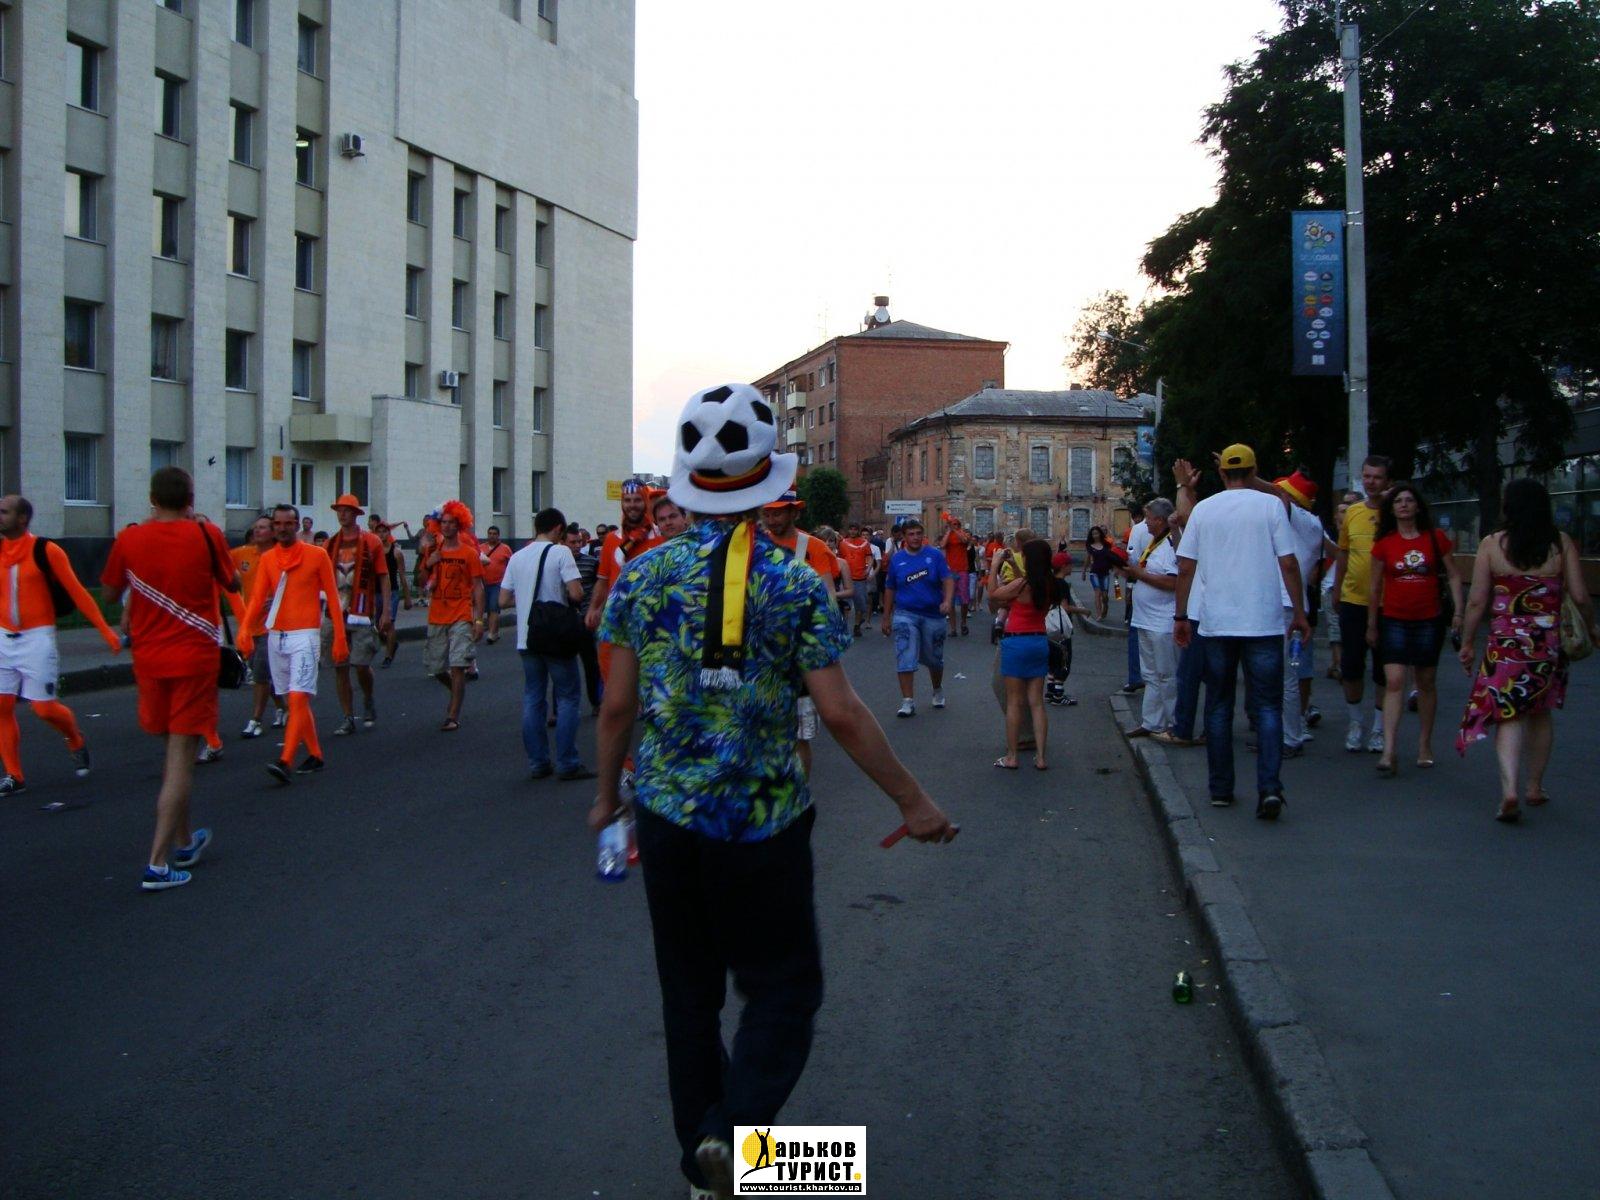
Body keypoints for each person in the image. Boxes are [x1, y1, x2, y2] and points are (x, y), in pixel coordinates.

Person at [589, 382, 956, 1198]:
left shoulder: (641, 577)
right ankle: (735, 1139)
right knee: (784, 989)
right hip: (762, 823)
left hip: (669, 816)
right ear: (766, 482)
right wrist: (911, 800)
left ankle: (708, 1161)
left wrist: (608, 800)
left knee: (688, 997)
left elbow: (616, 708)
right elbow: (840, 712)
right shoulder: (792, 582)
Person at [101, 468, 238, 890]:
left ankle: (183, 840)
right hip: (194, 658)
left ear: (152, 498)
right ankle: (158, 864)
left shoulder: (129, 539)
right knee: (181, 757)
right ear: (190, 498)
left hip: (149, 659)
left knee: (173, 754)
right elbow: (231, 581)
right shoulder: (206, 534)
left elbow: (109, 593)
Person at [1173, 445, 1310, 821]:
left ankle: (1220, 789)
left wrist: (1181, 616)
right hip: (1263, 621)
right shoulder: (1270, 507)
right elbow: (1289, 563)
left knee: (1218, 706)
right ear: (1254, 470)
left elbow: (1185, 567)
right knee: (1267, 706)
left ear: (1222, 474)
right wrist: (1299, 613)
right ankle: (1270, 788)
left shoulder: (1204, 510)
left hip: (1217, 622)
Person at [1456, 478, 1597, 822]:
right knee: (1540, 711)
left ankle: (1509, 790)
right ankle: (1534, 786)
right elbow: (1580, 596)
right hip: (1547, 645)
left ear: (1509, 506)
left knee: (1510, 713)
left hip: (1506, 644)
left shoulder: (1491, 544)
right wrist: (1591, 627)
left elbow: (1477, 600)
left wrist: (1468, 641)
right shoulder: (1560, 543)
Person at [0, 494, 121, 797]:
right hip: (3, 637)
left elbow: (78, 592)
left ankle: (74, 737)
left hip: (37, 638)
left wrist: (106, 631)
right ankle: (14, 775)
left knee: (43, 709)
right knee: (2, 707)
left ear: (22, 518)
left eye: (4, 511)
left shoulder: (46, 550)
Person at [237, 505, 346, 783]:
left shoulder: (317, 555)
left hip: (305, 635)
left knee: (298, 697)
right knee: (292, 699)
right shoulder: (269, 559)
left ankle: (285, 760)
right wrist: (245, 629)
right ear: (273, 527)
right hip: (277, 635)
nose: (283, 528)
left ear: (297, 525)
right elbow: (257, 597)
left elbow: (333, 597)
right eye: (278, 524)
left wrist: (340, 638)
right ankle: (315, 754)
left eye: (289, 523)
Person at [1366, 481, 1463, 776]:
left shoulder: (1435, 538)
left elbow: (1454, 576)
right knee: (1395, 681)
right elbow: (1374, 587)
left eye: (1409, 500)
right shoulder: (1385, 543)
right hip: (1394, 619)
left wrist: (1459, 612)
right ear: (1392, 509)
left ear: (1418, 506)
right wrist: (1372, 624)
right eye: (1398, 501)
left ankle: (1424, 744)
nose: (1404, 505)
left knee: (1425, 682)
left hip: (1428, 619)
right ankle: (1389, 750)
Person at [502, 507, 593, 780]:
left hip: (527, 637)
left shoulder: (517, 557)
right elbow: (576, 593)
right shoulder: (561, 552)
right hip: (556, 636)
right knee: (567, 697)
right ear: (558, 529)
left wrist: (527, 596)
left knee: (533, 698)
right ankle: (567, 762)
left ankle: (538, 763)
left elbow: (503, 600)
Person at [761, 490, 847, 774]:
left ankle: (800, 789)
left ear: (793, 513)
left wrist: (826, 640)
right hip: (762, 649)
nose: (771, 520)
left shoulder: (814, 547)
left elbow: (828, 594)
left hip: (800, 649)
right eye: (767, 513)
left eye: (777, 513)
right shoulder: (756, 544)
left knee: (799, 733)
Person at [1272, 471, 1334, 757]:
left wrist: (1245, 475)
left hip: (1286, 608)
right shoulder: (1310, 526)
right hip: (1285, 606)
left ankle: (1291, 737)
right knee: (1280, 676)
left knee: (1285, 678)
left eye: (1281, 493)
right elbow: (1338, 553)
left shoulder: (1302, 520)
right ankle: (1282, 734)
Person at [1334, 455, 1393, 752]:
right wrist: (1336, 589)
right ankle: (1356, 722)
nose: (1371, 482)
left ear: (1387, 481)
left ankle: (1380, 728)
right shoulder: (1354, 513)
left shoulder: (1395, 514)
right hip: (1353, 600)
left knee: (1384, 669)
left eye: (1377, 477)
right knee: (1351, 665)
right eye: (1367, 476)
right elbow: (1344, 553)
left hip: (1389, 604)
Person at [324, 494, 391, 735]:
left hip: (362, 612)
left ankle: (368, 697)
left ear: (355, 514)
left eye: (347, 510)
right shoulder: (330, 544)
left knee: (361, 665)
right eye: (339, 510)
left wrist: (385, 612)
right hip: (334, 614)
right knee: (340, 666)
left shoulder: (372, 542)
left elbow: (383, 577)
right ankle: (348, 717)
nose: (342, 514)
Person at [585, 481, 662, 686]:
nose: (632, 505)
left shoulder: (661, 537)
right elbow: (603, 581)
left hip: (652, 623)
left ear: (645, 502)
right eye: (627, 500)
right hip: (618, 621)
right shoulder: (612, 540)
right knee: (616, 684)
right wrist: (594, 608)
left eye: (637, 500)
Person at [987, 538, 1055, 768]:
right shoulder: (1048, 584)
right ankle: (1041, 757)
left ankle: (1012, 756)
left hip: (1017, 642)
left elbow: (993, 594)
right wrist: (1015, 566)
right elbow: (1025, 581)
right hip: (1039, 641)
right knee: (1037, 702)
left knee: (1014, 702)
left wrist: (995, 565)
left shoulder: (1022, 585)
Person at [881, 519, 954, 718]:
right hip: (906, 613)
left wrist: (947, 601)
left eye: (918, 533)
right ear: (904, 537)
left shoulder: (934, 555)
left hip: (933, 614)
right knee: (904, 653)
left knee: (934, 659)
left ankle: (937, 689)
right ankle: (907, 701)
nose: (915, 537)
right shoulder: (897, 559)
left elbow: (947, 579)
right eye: (911, 534)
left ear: (923, 535)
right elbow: (890, 588)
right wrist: (886, 617)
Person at [421, 501, 484, 731]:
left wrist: (478, 620)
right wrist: (429, 563)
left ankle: (453, 715)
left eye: (451, 523)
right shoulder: (433, 552)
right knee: (437, 668)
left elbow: (478, 587)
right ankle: (456, 692)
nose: (446, 527)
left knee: (458, 665)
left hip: (461, 615)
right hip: (437, 615)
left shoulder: (469, 553)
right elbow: (421, 583)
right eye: (443, 523)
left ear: (460, 525)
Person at [1124, 499, 1181, 740]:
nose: (1145, 522)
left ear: (1159, 520)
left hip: (1163, 620)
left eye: (1148, 518)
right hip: (1145, 618)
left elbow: (1173, 582)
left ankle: (1175, 723)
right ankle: (1152, 721)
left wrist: (1140, 574)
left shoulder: (1170, 544)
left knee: (1167, 674)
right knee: (1150, 674)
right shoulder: (1154, 542)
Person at [231, 515, 286, 738]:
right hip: (249, 626)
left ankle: (256, 720)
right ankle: (283, 708)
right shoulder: (242, 554)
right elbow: (220, 565)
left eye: (262, 527)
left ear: (273, 532)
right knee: (263, 672)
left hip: (272, 626)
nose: (257, 531)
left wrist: (278, 600)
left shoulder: (282, 556)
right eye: (255, 527)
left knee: (261, 674)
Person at [564, 524, 604, 711]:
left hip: (585, 619)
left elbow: (599, 588)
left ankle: (596, 701)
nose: (577, 546)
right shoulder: (558, 563)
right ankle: (558, 709)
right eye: (572, 542)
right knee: (563, 665)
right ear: (563, 543)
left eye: (579, 542)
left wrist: (596, 610)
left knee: (591, 664)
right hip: (565, 620)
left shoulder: (591, 562)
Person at [1324, 492, 1359, 679]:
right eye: (1342, 510)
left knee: (1348, 629)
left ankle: (1338, 663)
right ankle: (1338, 663)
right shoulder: (1330, 533)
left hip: (1354, 586)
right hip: (1333, 585)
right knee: (1335, 626)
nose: (1345, 512)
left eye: (1350, 506)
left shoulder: (1361, 529)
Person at [1045, 551, 1087, 706]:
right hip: (1061, 628)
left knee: (1052, 661)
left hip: (1050, 627)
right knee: (1063, 661)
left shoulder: (1049, 581)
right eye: (1070, 564)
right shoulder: (1062, 584)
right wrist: (1083, 611)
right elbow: (1065, 607)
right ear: (1063, 566)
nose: (1071, 567)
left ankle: (1050, 692)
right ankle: (1058, 695)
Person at [376, 520, 413, 668]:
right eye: (379, 532)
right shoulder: (373, 551)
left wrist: (407, 597)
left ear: (389, 533)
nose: (382, 535)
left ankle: (388, 656)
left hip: (392, 592)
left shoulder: (396, 552)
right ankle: (392, 643)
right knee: (377, 626)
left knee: (389, 623)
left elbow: (402, 575)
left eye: (384, 531)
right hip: (376, 591)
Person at [838, 523, 879, 637]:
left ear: (858, 531)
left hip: (860, 578)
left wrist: (868, 569)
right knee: (845, 605)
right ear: (848, 530)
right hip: (846, 578)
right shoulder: (843, 543)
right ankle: (844, 627)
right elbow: (839, 558)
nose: (852, 531)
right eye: (851, 529)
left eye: (855, 529)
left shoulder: (864, 543)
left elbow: (870, 557)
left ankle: (857, 626)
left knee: (860, 605)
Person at [938, 517, 975, 636]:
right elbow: (942, 545)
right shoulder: (948, 535)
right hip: (950, 571)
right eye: (952, 524)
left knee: (965, 599)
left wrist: (955, 530)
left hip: (962, 570)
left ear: (959, 525)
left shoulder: (963, 534)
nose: (954, 525)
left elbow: (965, 541)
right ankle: (953, 629)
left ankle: (963, 623)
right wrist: (949, 531)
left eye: (956, 524)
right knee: (950, 600)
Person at [479, 525, 513, 644]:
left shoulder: (505, 549)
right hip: (483, 583)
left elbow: (511, 565)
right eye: (490, 533)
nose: (492, 536)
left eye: (494, 534)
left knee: (494, 607)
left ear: (498, 536)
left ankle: (491, 634)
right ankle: (495, 631)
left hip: (498, 583)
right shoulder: (481, 548)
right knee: (488, 608)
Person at [1083, 526, 1120, 620]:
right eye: (1093, 534)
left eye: (1097, 533)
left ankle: (1105, 605)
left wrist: (1115, 568)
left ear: (1100, 534)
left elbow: (1111, 557)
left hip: (1105, 573)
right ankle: (1099, 614)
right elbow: (1087, 559)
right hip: (1094, 572)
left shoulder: (1106, 545)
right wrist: (1084, 571)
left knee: (1105, 595)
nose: (1095, 535)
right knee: (1098, 593)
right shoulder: (1090, 546)